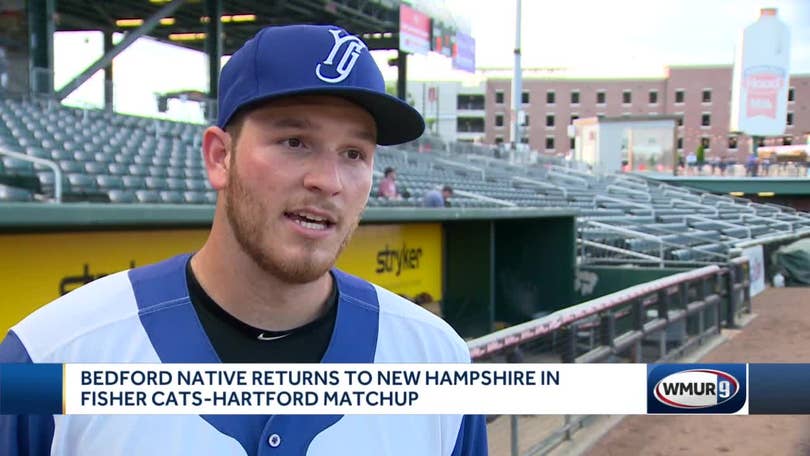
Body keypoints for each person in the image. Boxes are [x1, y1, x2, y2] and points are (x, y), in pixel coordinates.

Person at [0, 25, 487, 455]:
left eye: (355, 153)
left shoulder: (437, 360)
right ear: (219, 157)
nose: (329, 180)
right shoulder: (51, 356)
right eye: (295, 141)